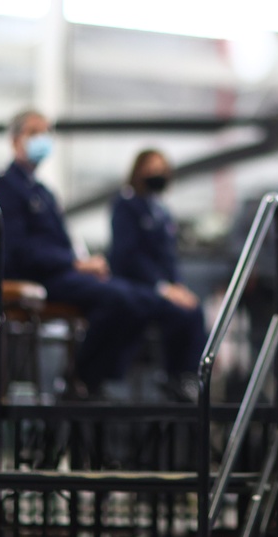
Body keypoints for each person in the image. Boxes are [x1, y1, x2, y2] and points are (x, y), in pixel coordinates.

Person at [0, 110, 206, 398]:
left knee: (138, 299)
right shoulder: (3, 187)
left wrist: (83, 264)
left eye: (46, 132)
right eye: (34, 132)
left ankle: (95, 377)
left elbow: (62, 242)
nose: (42, 139)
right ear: (15, 141)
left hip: (63, 274)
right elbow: (17, 248)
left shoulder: (44, 193)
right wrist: (74, 263)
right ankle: (81, 378)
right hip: (35, 277)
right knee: (122, 299)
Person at [106, 149, 207, 394]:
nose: (156, 173)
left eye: (161, 168)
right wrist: (163, 288)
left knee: (194, 309)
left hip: (164, 287)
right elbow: (128, 256)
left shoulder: (161, 212)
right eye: (151, 168)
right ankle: (173, 377)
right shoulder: (125, 206)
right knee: (179, 313)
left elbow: (169, 257)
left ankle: (187, 378)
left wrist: (178, 286)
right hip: (136, 286)